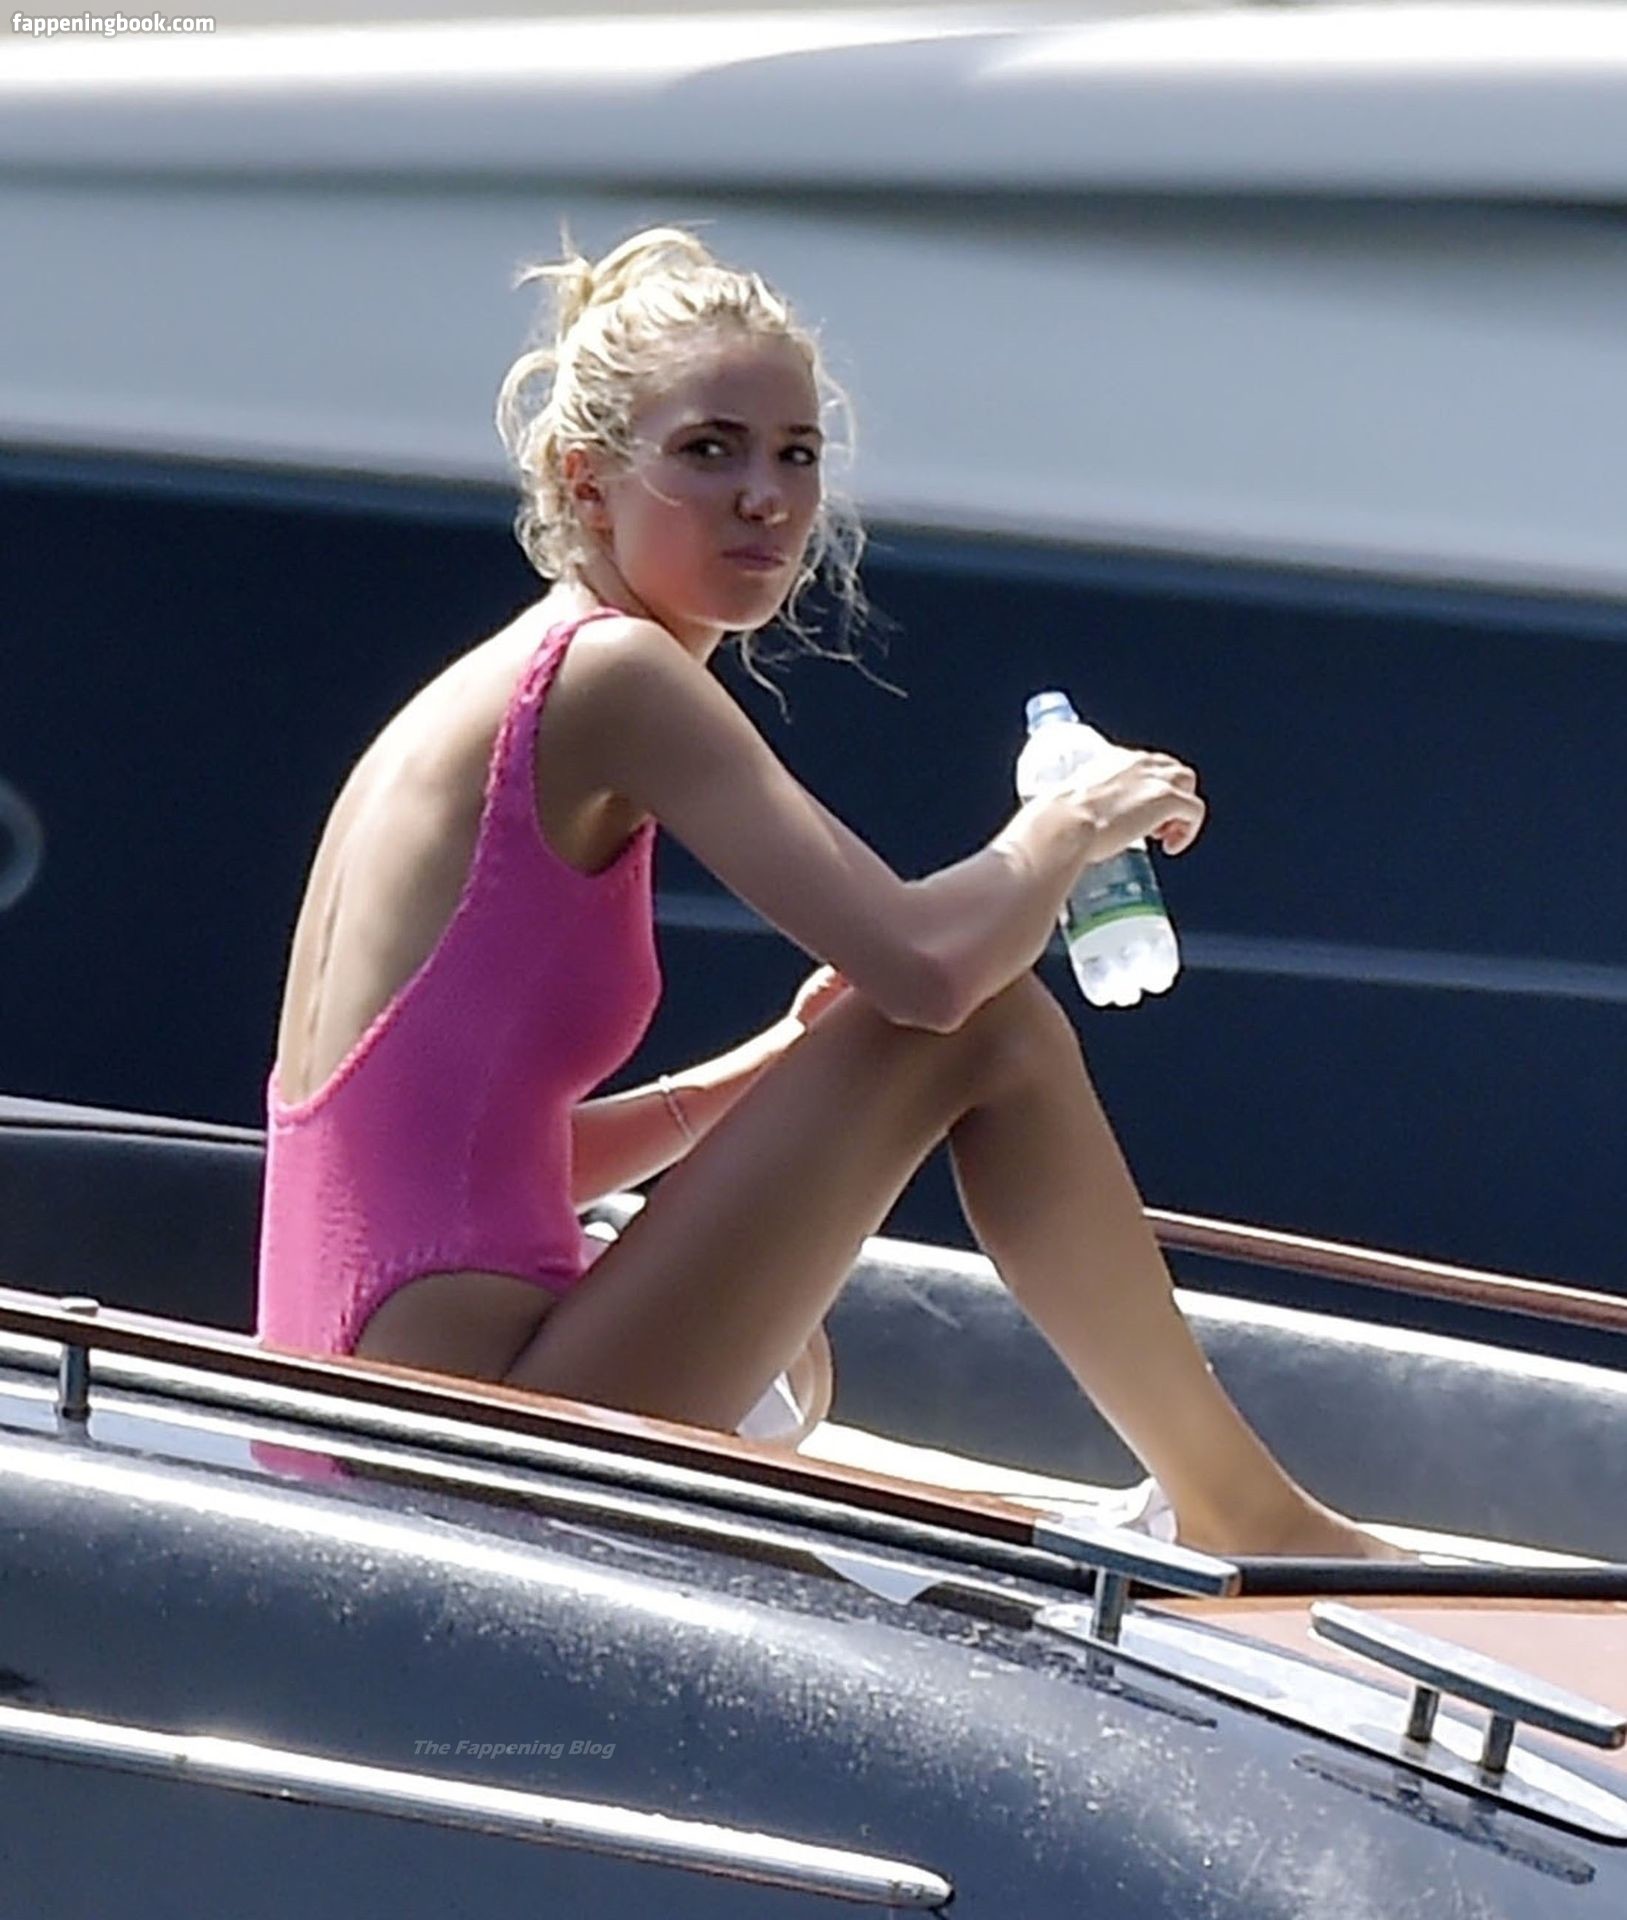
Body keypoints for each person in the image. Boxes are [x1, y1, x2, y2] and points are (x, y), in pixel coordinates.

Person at [257, 225, 1390, 1557]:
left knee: (928, 1049)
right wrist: (1069, 827)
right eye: (710, 450)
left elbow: (460, 1159)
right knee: (988, 1029)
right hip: (447, 1448)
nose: (766, 497)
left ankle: (1235, 1501)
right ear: (588, 480)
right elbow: (931, 970)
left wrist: (770, 1065)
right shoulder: (613, 676)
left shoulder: (503, 682)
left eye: (796, 455)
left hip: (360, 1412)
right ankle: (1247, 1513)